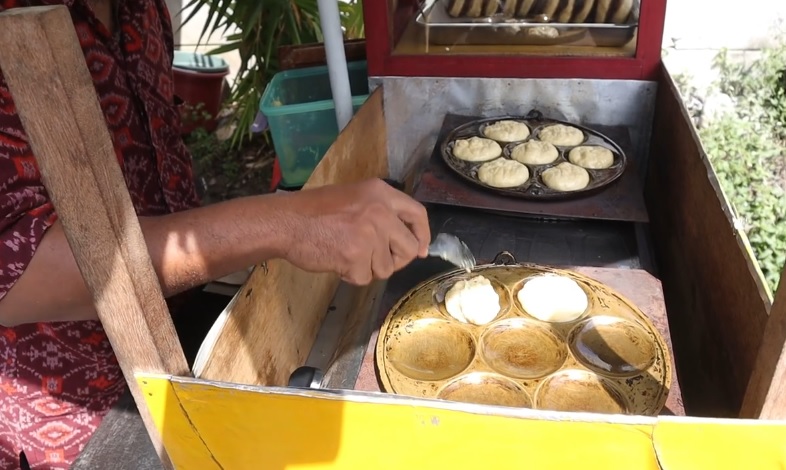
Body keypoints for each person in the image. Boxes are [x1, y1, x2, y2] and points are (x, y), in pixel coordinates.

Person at [0, 0, 431, 468]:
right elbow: (18, 273)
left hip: (187, 323)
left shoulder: (140, 9)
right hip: (78, 414)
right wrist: (286, 222)